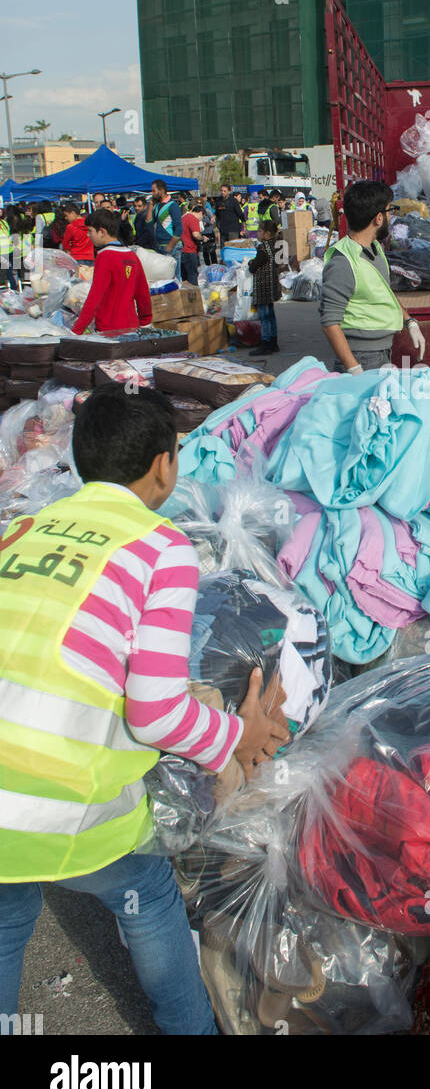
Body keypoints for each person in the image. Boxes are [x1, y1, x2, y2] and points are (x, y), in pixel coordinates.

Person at [0, 383, 290, 1035]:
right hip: (61, 796)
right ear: (164, 466)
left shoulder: (22, 528)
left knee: (7, 911)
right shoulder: (159, 550)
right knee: (148, 894)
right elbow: (156, 712)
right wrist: (232, 736)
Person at [320, 180, 426, 373]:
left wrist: (410, 322)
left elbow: (382, 290)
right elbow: (330, 322)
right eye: (389, 211)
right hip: (361, 357)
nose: (390, 216)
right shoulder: (343, 262)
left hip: (380, 351)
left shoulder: (375, 248)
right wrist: (354, 368)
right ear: (378, 218)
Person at [71, 209, 152, 335]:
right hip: (132, 326)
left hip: (109, 328)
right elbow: (143, 294)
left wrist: (76, 331)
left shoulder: (105, 257)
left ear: (102, 232)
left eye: (90, 231)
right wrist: (145, 321)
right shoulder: (132, 255)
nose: (88, 235)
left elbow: (94, 298)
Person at [248, 218, 284, 358]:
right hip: (272, 286)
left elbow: (254, 267)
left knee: (264, 316)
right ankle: (273, 342)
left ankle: (266, 342)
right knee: (270, 315)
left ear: (267, 233)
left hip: (263, 287)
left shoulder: (262, 248)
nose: (258, 233)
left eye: (260, 231)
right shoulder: (274, 245)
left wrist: (251, 264)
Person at [150, 180, 183, 280]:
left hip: (171, 246)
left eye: (153, 191)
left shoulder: (172, 205)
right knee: (164, 278)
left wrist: (170, 246)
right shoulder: (157, 206)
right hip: (160, 246)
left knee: (174, 277)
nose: (152, 193)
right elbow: (149, 223)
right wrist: (150, 206)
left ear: (161, 190)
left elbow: (179, 229)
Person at [180, 202, 204, 285]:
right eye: (202, 217)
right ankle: (194, 295)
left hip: (182, 250)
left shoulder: (183, 218)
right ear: (200, 213)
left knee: (184, 277)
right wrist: (203, 238)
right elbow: (196, 235)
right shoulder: (193, 219)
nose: (201, 219)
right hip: (190, 251)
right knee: (192, 275)